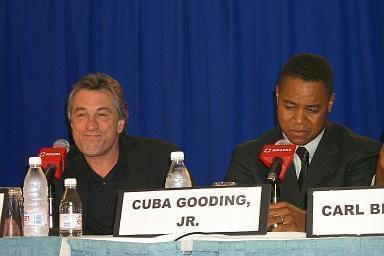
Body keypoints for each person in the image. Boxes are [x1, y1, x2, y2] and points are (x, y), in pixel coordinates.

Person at [225, 53, 381, 232]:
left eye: (312, 109)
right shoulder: (248, 156)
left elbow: (363, 224)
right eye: (290, 107)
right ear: (277, 96)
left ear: (330, 103)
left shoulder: (360, 152)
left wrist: (309, 222)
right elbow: (232, 223)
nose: (299, 120)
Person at [54, 73, 179, 235]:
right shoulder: (56, 174)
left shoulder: (162, 161)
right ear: (72, 124)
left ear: (120, 124)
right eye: (82, 115)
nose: (91, 125)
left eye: (102, 115)